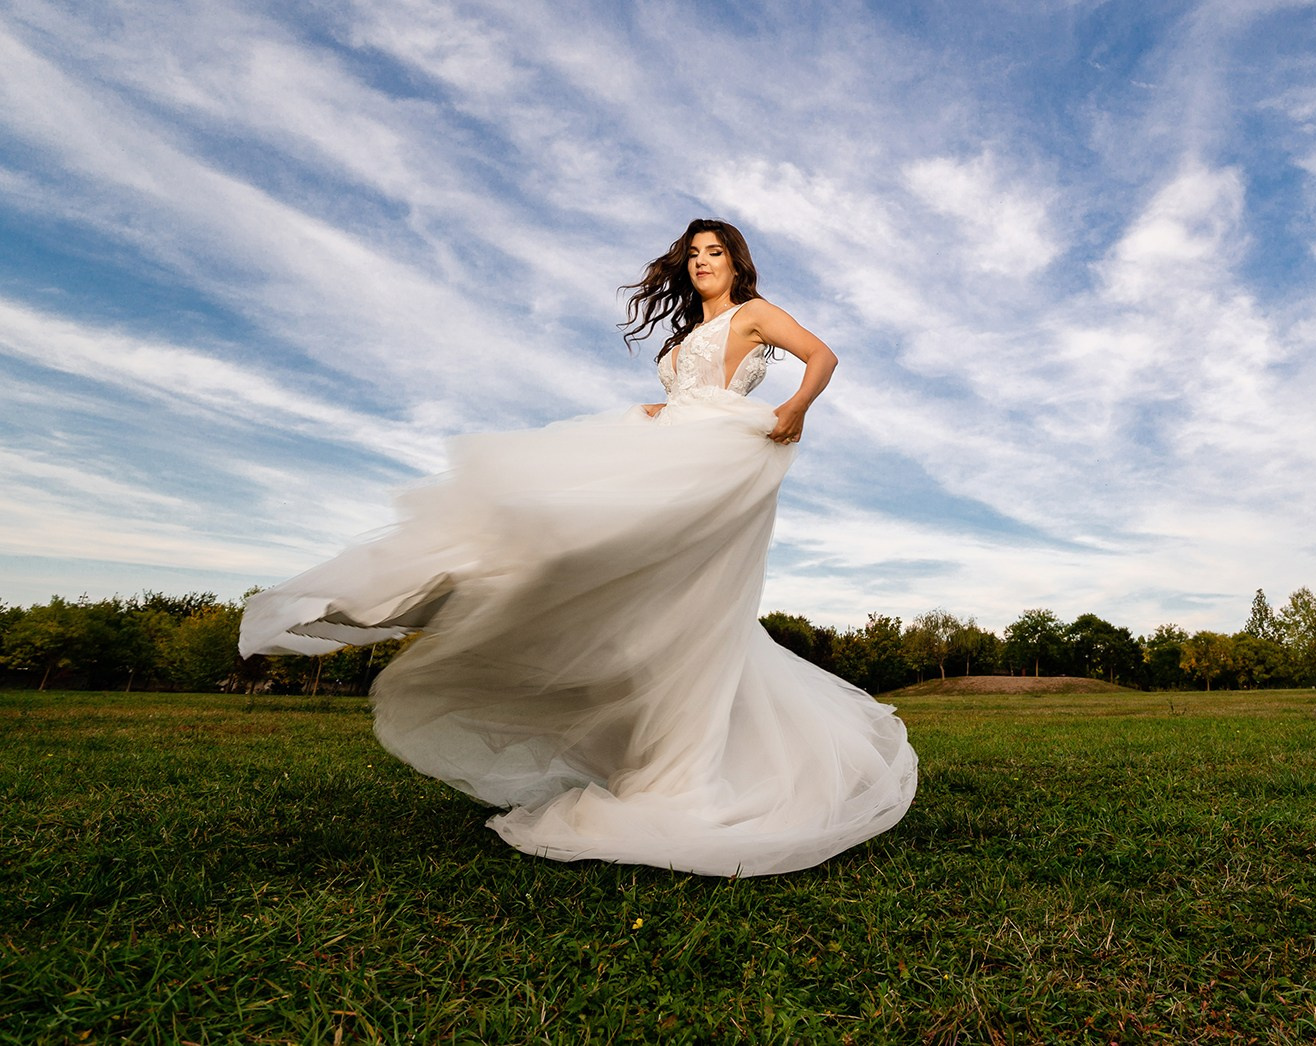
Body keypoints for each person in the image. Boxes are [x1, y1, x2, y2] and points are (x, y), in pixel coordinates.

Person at [240, 219, 918, 875]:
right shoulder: (689, 332)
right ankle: (423, 593)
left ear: (737, 262)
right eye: (693, 254)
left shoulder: (754, 314)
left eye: (715, 251)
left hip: (723, 452)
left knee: (606, 554)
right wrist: (660, 412)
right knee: (591, 552)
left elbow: (822, 355)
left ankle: (670, 761)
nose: (702, 261)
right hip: (671, 442)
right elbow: (686, 393)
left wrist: (795, 408)